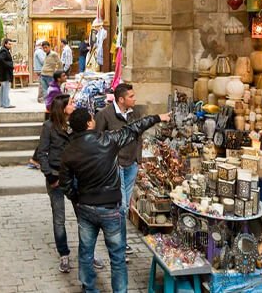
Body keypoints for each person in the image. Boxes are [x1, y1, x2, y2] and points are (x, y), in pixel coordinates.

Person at [60, 108, 169, 293]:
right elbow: (134, 128)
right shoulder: (107, 140)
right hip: (110, 207)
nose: (94, 120)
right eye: (92, 118)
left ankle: (89, 289)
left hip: (86, 207)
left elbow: (66, 183)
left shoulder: (69, 150)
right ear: (88, 123)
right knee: (117, 257)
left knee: (85, 254)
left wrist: (77, 198)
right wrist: (158, 117)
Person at [35, 95, 106, 274]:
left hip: (76, 177)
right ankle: (64, 254)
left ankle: (89, 253)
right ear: (62, 107)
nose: (74, 105)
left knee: (84, 217)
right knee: (59, 218)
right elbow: (41, 153)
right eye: (71, 104)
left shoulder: (76, 127)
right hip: (56, 176)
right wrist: (50, 176)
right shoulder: (49, 127)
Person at [95, 83, 140, 258]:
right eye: (131, 96)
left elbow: (139, 135)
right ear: (121, 99)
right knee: (120, 207)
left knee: (125, 207)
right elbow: (98, 141)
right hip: (116, 166)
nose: (134, 99)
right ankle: (119, 245)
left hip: (131, 164)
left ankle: (120, 242)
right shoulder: (104, 115)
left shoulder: (134, 113)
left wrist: (138, 159)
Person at [0, 38, 14, 108]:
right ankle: (6, 104)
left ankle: (2, 103)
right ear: (5, 44)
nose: (10, 45)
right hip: (5, 73)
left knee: (3, 89)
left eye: (11, 44)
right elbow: (0, 59)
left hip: (4, 73)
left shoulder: (4, 50)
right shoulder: (4, 51)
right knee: (6, 89)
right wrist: (10, 65)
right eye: (9, 44)